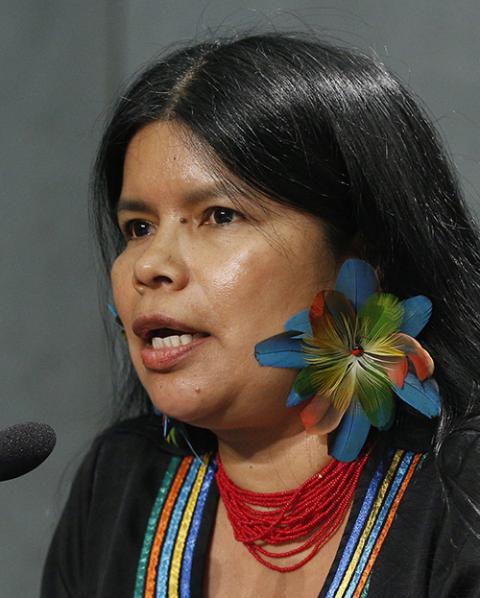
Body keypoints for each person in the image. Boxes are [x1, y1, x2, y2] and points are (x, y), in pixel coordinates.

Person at [41, 32, 480, 597]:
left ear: (365, 252)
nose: (149, 264)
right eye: (138, 227)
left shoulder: (459, 494)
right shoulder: (123, 484)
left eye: (220, 216)